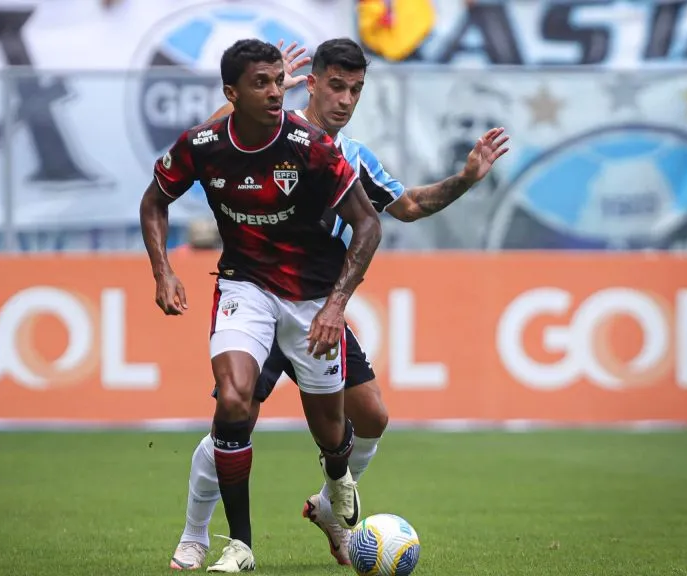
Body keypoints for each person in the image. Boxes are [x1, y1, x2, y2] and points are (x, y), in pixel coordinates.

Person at [168, 38, 510, 571]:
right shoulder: (265, 129)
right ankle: (195, 535)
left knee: (371, 414)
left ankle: (330, 505)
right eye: (336, 86)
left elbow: (410, 206)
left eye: (356, 89)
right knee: (234, 417)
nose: (346, 99)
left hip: (314, 308)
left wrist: (465, 179)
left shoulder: (354, 157)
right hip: (257, 290)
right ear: (312, 82)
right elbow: (210, 139)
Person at [139, 39, 384, 573]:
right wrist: (163, 270)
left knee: (338, 428)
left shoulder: (311, 146)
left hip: (314, 298)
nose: (277, 92)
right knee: (233, 403)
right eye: (263, 83)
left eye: (279, 82)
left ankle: (336, 481)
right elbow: (155, 199)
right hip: (245, 286)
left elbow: (371, 222)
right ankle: (229, 543)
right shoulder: (203, 144)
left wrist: (336, 305)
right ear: (231, 93)